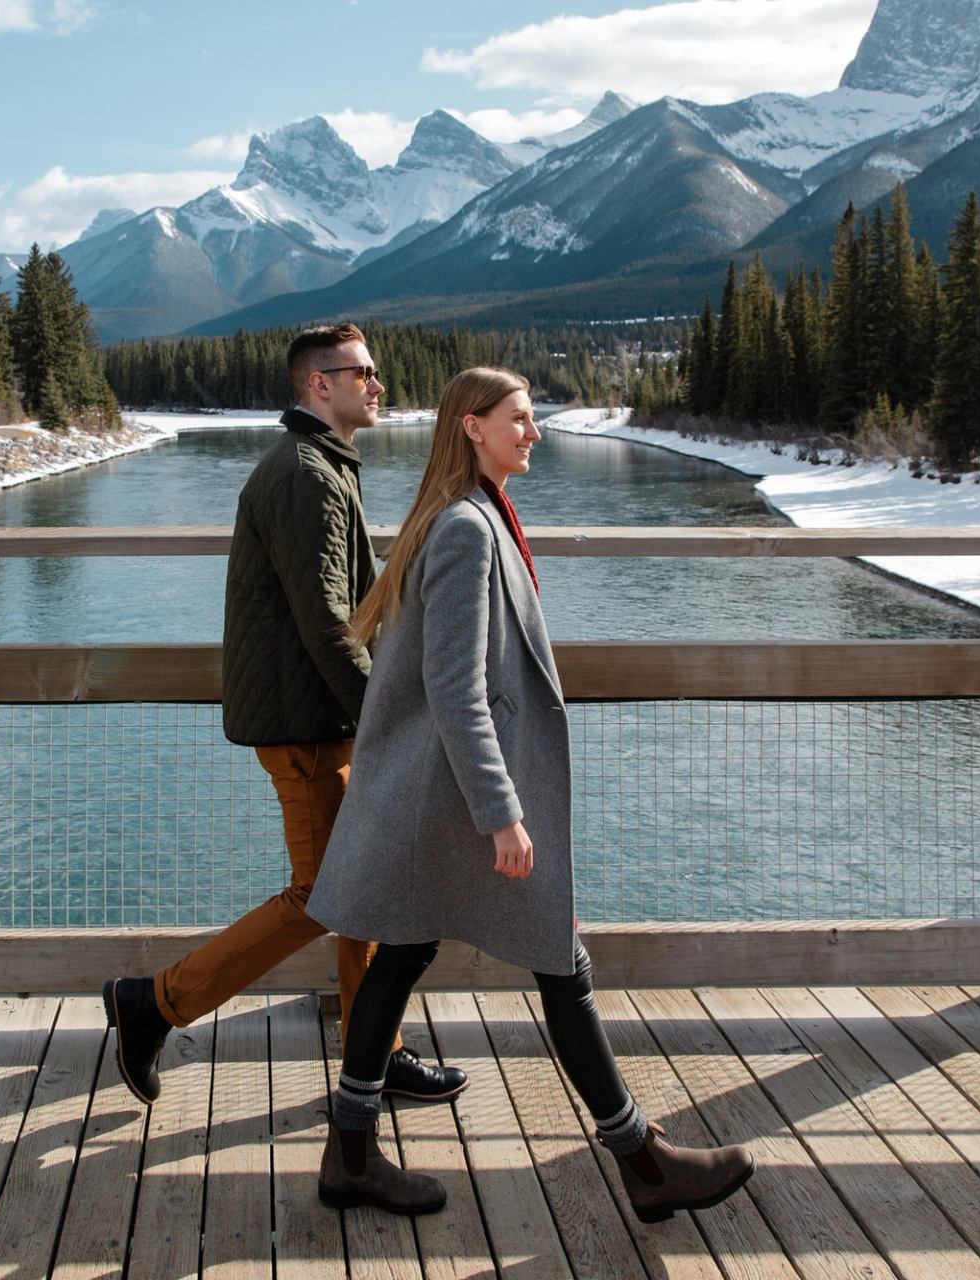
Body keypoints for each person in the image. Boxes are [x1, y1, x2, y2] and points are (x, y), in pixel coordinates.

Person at [305, 368, 756, 1218]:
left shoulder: (469, 515)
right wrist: (503, 812)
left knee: (406, 952)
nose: (535, 432)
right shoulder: (470, 529)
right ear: (472, 427)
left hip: (434, 796)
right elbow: (455, 686)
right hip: (457, 801)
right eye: (519, 418)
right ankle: (643, 1162)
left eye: (536, 419)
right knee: (559, 962)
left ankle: (351, 1152)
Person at [102, 323, 467, 1109]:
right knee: (327, 894)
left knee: (358, 886)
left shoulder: (324, 465)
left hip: (316, 718)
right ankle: (153, 1002)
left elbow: (348, 605)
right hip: (308, 727)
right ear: (317, 385)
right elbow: (328, 622)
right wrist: (385, 718)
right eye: (361, 373)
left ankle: (376, 1048)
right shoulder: (306, 475)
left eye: (376, 371)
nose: (378, 385)